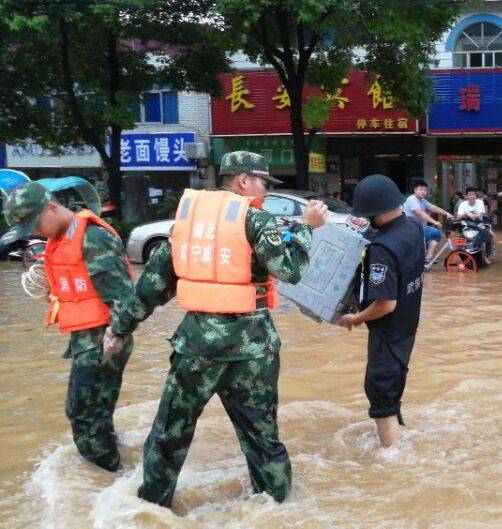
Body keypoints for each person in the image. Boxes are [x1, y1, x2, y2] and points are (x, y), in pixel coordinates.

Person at [104, 151, 329, 508]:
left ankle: (150, 510)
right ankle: (275, 511)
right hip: (252, 351)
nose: (266, 191)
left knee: (168, 435)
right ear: (243, 181)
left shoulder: (187, 224)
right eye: (263, 183)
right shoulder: (258, 219)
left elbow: (153, 285)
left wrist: (120, 328)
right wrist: (305, 226)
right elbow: (290, 270)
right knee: (262, 440)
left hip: (196, 347)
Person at [2, 181, 134, 471]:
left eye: (34, 224)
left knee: (83, 413)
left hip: (104, 338)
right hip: (86, 337)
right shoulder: (60, 239)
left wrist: (118, 335)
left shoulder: (92, 238)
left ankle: (106, 480)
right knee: (94, 413)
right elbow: (81, 287)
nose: (34, 232)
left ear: (51, 207)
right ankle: (115, 469)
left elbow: (124, 297)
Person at [338, 175, 425, 448]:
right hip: (407, 327)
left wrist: (356, 318)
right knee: (392, 385)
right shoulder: (414, 227)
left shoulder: (383, 248)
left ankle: (392, 457)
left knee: (380, 393)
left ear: (375, 212)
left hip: (387, 332)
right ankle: (400, 435)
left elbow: (386, 303)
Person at [402, 180, 454, 264]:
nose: (423, 192)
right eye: (421, 189)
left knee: (436, 233)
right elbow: (420, 213)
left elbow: (433, 208)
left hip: (420, 228)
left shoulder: (422, 200)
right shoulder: (412, 199)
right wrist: (435, 222)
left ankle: (428, 256)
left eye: (425, 190)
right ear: (415, 190)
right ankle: (419, 259)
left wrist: (447, 213)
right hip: (412, 230)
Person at [456, 187, 493, 264]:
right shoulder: (462, 204)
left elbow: (480, 215)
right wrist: (466, 214)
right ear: (466, 196)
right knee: (459, 239)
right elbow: (458, 216)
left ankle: (486, 255)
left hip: (478, 224)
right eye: (470, 195)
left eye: (473, 195)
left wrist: (470, 215)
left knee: (488, 235)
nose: (472, 196)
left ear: (476, 196)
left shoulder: (480, 202)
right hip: (466, 226)